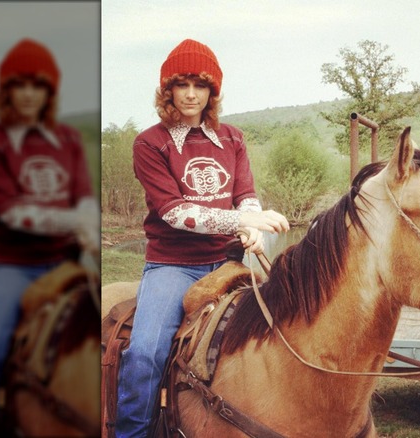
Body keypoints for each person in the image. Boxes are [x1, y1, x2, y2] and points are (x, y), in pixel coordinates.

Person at [115, 38, 289, 437]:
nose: (191, 94)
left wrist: (250, 227)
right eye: (182, 84)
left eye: (201, 85)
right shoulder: (150, 143)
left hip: (229, 264)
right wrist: (245, 221)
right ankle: (132, 432)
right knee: (145, 353)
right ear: (168, 90)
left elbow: (245, 195)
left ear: (212, 91)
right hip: (174, 266)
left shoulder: (232, 138)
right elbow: (175, 212)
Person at [0, 38, 99, 438]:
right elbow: (13, 212)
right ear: (6, 91)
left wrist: (89, 225)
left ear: (50, 91)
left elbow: (84, 197)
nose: (30, 94)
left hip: (67, 263)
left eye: (39, 85)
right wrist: (76, 221)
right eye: (21, 85)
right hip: (11, 266)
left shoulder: (67, 140)